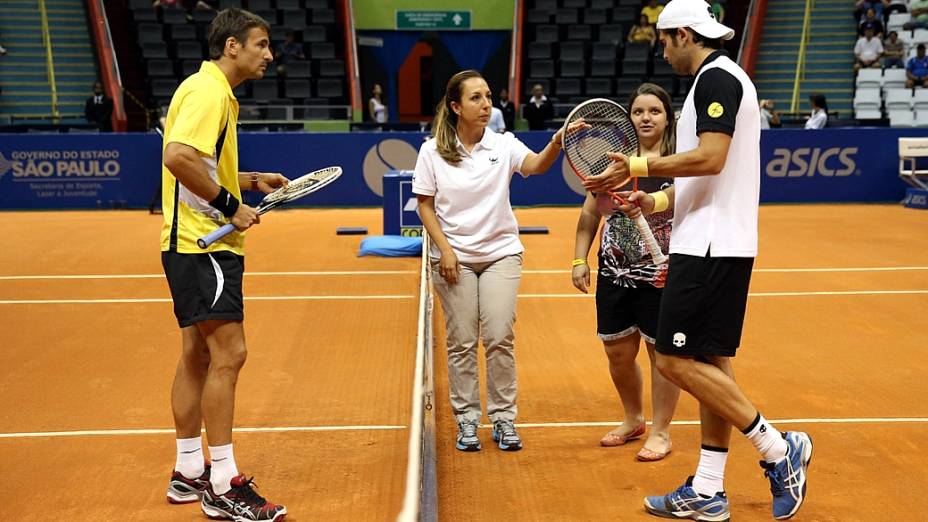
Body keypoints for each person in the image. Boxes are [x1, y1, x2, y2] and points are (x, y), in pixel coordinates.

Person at [585, 1, 813, 519]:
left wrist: (638, 165)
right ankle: (709, 489)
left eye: (665, 41)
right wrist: (656, 200)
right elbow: (704, 177)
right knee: (711, 363)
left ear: (684, 34)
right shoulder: (713, 83)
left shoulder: (717, 80)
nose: (662, 52)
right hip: (709, 239)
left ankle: (780, 448)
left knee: (671, 359)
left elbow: (712, 157)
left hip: (709, 247)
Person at [159, 8, 288, 522]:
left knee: (198, 354)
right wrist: (233, 206)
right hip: (204, 245)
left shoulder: (212, 92)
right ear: (232, 46)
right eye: (261, 44)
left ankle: (188, 470)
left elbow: (201, 160)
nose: (269, 54)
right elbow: (177, 156)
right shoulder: (208, 91)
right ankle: (221, 482)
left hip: (192, 243)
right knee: (230, 352)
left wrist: (248, 179)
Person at [413, 70, 580, 453]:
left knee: (500, 338)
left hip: (501, 254)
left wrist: (557, 141)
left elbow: (536, 166)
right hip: (454, 257)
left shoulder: (503, 145)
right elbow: (424, 205)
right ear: (456, 106)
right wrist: (446, 250)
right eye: (476, 98)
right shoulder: (432, 151)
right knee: (462, 343)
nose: (486, 104)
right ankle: (467, 420)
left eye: (488, 96)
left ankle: (504, 419)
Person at [571, 83, 681, 462]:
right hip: (614, 273)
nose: (645, 118)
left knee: (661, 354)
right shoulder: (613, 165)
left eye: (654, 111)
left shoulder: (678, 160)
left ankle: (661, 431)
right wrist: (579, 259)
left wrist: (650, 202)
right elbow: (589, 214)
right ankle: (633, 418)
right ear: (629, 117)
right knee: (617, 352)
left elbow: (681, 196)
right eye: (638, 111)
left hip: (662, 272)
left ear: (668, 117)